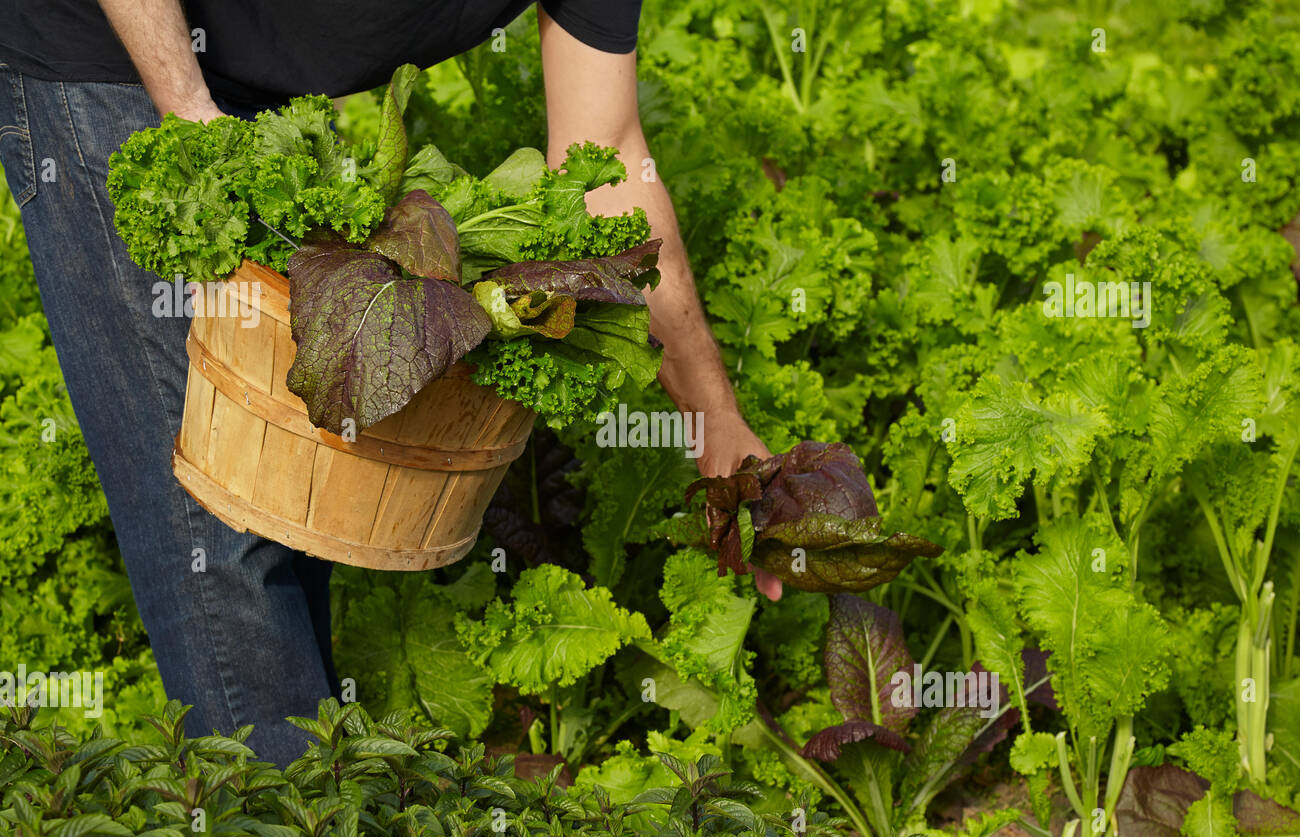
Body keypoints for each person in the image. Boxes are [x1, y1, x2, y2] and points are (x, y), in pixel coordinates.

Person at [0, 0, 779, 767]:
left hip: (252, 89)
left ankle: (305, 810)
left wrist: (713, 418)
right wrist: (187, 107)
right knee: (213, 521)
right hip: (109, 49)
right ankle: (281, 832)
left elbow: (606, 156)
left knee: (287, 495)